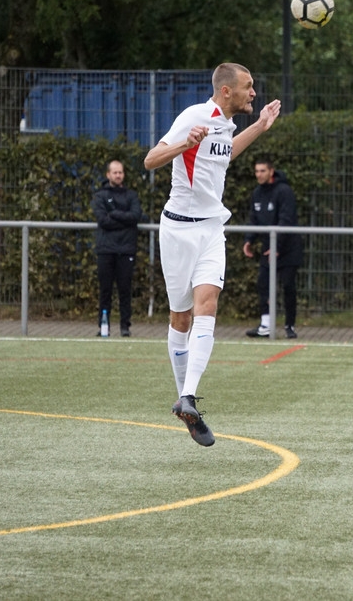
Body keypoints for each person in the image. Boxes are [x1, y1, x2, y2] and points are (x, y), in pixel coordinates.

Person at [144, 63, 281, 447]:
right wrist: (185, 144)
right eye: (248, 87)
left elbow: (224, 154)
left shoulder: (225, 124)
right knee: (180, 317)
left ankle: (188, 398)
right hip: (176, 229)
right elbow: (151, 160)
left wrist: (260, 127)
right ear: (226, 92)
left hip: (210, 229)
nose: (253, 93)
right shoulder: (195, 116)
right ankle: (185, 401)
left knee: (208, 304)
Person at [243, 157, 302, 339]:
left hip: (288, 249)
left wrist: (278, 247)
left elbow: (287, 220)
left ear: (271, 171)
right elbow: (254, 218)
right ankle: (266, 325)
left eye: (262, 171)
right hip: (268, 249)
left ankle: (289, 326)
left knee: (288, 286)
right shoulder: (257, 193)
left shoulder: (284, 191)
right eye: (256, 171)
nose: (258, 174)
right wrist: (249, 240)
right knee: (263, 284)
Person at [92, 160, 142, 337]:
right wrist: (123, 220)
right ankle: (103, 327)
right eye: (115, 172)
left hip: (126, 249)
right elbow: (102, 220)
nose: (118, 175)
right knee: (105, 290)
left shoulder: (131, 196)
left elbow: (135, 216)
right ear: (108, 175)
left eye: (120, 172)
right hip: (105, 250)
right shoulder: (100, 196)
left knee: (125, 289)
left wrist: (114, 214)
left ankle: (125, 327)